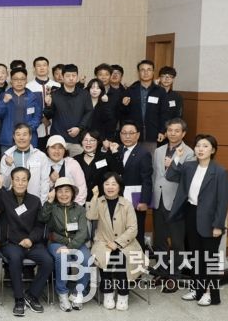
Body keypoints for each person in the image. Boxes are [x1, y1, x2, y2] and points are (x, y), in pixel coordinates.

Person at [168, 134, 228, 306]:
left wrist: (218, 225)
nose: (201, 149)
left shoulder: (220, 171)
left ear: (213, 150)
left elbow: (223, 201)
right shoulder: (189, 166)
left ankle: (211, 294)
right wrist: (177, 157)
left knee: (209, 259)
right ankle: (197, 289)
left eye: (205, 146)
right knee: (195, 256)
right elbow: (171, 176)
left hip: (211, 220)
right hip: (192, 214)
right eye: (198, 146)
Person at [0, 167, 52, 317]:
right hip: (11, 243)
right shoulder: (4, 197)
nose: (20, 183)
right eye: (17, 179)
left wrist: (30, 239)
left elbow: (39, 225)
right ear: (12, 181)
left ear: (28, 182)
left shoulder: (34, 200)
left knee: (48, 261)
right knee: (15, 258)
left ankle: (31, 295)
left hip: (31, 242)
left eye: (24, 180)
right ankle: (19, 299)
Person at [86, 173, 145, 311]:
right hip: (103, 241)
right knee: (105, 257)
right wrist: (94, 196)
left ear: (119, 187)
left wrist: (117, 243)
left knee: (121, 257)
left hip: (126, 243)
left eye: (114, 184)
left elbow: (133, 229)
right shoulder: (99, 201)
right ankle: (108, 293)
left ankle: (123, 294)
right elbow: (91, 215)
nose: (110, 187)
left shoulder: (127, 204)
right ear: (102, 186)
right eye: (107, 184)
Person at [151, 118, 195, 289]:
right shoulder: (159, 150)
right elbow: (155, 175)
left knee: (177, 242)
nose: (173, 133)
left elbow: (187, 179)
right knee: (159, 240)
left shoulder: (189, 153)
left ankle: (174, 276)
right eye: (170, 130)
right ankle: (161, 272)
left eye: (177, 131)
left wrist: (173, 165)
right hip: (159, 200)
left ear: (183, 133)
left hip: (177, 203)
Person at [39, 177, 91, 312]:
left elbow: (82, 233)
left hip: (76, 243)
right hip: (56, 243)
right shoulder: (52, 208)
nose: (63, 194)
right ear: (55, 193)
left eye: (67, 191)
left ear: (72, 193)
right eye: (60, 191)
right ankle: (62, 293)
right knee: (62, 257)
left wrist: (69, 246)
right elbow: (42, 218)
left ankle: (79, 293)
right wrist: (49, 202)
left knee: (86, 259)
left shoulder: (80, 209)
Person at [42, 64, 93, 157]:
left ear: (77, 77)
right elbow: (49, 115)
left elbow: (89, 112)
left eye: (74, 75)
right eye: (68, 76)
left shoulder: (84, 94)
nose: (71, 78)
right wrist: (48, 105)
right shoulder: (55, 94)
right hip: (58, 140)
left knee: (77, 164)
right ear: (62, 77)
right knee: (57, 165)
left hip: (78, 140)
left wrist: (79, 128)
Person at [117, 121, 153, 249]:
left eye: (131, 133)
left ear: (137, 135)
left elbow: (147, 179)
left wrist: (144, 201)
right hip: (119, 200)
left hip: (136, 201)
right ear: (120, 135)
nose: (127, 136)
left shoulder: (143, 153)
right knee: (120, 232)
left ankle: (137, 260)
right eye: (124, 133)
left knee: (136, 233)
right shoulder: (117, 150)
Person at [120, 60, 169, 154]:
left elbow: (164, 113)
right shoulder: (130, 90)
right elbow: (124, 114)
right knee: (132, 160)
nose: (146, 72)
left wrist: (162, 131)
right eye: (142, 70)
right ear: (138, 72)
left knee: (150, 160)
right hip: (133, 135)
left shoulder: (160, 91)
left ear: (153, 72)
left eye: (149, 70)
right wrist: (124, 105)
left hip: (152, 134)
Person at [0, 124, 52, 203]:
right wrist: (8, 166)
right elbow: (5, 184)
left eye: (24, 134)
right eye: (18, 134)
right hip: (13, 202)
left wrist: (42, 203)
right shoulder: (6, 157)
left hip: (35, 201)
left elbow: (45, 182)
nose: (21, 138)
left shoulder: (41, 156)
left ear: (30, 136)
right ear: (14, 137)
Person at [0, 67, 43, 153]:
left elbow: (37, 117)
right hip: (8, 139)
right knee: (7, 161)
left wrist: (25, 131)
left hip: (28, 139)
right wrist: (4, 102)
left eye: (22, 79)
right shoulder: (4, 96)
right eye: (16, 79)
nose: (19, 82)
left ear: (26, 80)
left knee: (29, 162)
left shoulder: (33, 97)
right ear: (11, 81)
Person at [73, 130, 122, 202]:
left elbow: (119, 171)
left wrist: (114, 152)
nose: (88, 143)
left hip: (101, 201)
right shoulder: (75, 160)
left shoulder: (105, 158)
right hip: (79, 201)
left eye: (92, 140)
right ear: (81, 142)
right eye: (85, 140)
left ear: (98, 142)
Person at [26, 56, 60, 149]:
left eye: (44, 65)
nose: (42, 68)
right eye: (38, 66)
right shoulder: (29, 86)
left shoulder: (57, 85)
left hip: (55, 127)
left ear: (48, 67)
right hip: (37, 128)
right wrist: (42, 118)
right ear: (34, 69)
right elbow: (28, 108)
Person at [45, 135, 87, 205]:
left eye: (60, 148)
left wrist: (75, 207)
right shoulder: (42, 164)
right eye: (53, 147)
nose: (57, 151)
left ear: (65, 150)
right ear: (47, 149)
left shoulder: (72, 164)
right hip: (47, 206)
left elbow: (81, 188)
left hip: (70, 207)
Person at [93, 63, 123, 141]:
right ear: (96, 76)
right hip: (92, 134)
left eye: (106, 74)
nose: (103, 77)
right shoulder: (89, 91)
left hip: (110, 135)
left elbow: (116, 117)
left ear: (110, 76)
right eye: (100, 74)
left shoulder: (117, 94)